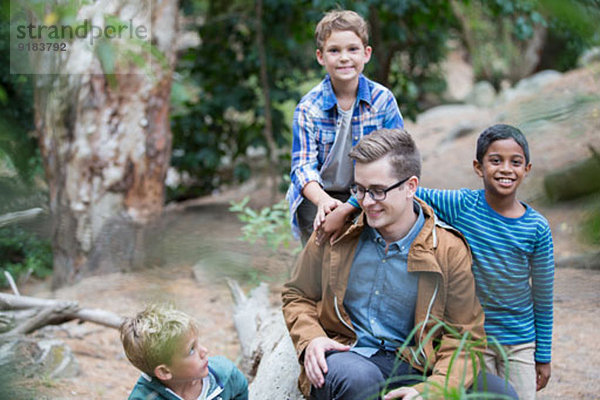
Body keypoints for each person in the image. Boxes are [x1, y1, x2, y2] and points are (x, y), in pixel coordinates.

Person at [319, 124, 554, 400]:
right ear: (478, 167)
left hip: (518, 340)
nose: (505, 169)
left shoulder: (537, 228)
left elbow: (543, 293)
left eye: (515, 162)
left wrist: (543, 353)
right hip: (475, 335)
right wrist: (349, 207)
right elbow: (393, 190)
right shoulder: (462, 204)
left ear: (527, 168)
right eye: (495, 161)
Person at [287, 9, 404, 245]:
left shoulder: (383, 100)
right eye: (334, 50)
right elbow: (302, 168)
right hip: (321, 192)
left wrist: (353, 204)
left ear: (366, 53)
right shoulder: (308, 108)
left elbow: (398, 159)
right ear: (320, 57)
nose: (344, 57)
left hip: (372, 189)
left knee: (374, 247)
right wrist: (323, 202)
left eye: (352, 49)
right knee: (322, 248)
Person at [120, 304, 248, 400]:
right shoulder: (143, 397)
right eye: (192, 350)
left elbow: (240, 391)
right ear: (164, 372)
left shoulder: (226, 375)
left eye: (198, 343)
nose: (204, 351)